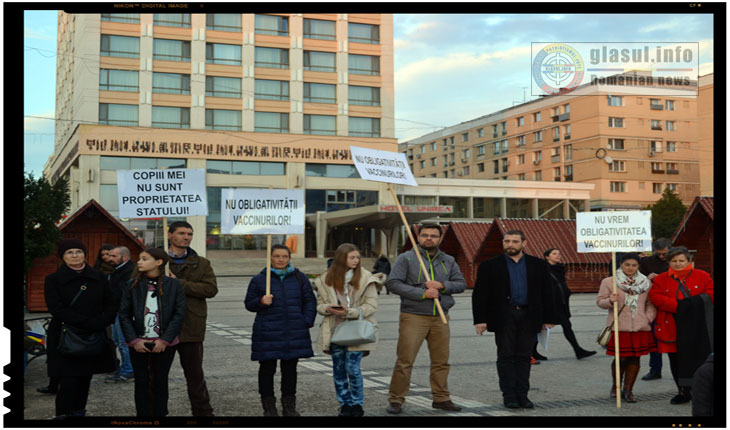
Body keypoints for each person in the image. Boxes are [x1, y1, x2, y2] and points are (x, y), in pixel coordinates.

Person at [385, 224, 466, 414]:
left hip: (440, 316)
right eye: (425, 235)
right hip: (413, 315)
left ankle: (441, 398)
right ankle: (396, 399)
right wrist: (422, 293)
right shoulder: (406, 258)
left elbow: (461, 284)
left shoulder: (448, 260)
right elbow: (393, 283)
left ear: (440, 239)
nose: (428, 238)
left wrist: (442, 285)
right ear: (418, 237)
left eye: (433, 236)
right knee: (405, 360)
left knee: (441, 361)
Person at [472, 230, 558, 409]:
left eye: (515, 241)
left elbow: (548, 293)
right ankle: (509, 395)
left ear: (524, 243)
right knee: (505, 356)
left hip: (529, 315)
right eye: (507, 241)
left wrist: (549, 318)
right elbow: (480, 294)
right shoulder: (490, 265)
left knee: (524, 357)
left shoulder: (538, 265)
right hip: (504, 315)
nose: (510, 244)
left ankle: (523, 395)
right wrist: (480, 320)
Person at [44, 238, 118, 418]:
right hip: (65, 335)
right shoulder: (53, 279)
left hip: (93, 334)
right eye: (69, 252)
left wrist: (101, 321)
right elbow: (56, 308)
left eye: (78, 251)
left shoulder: (99, 277)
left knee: (85, 378)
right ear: (63, 256)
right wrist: (86, 322)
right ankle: (62, 416)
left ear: (85, 254)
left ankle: (78, 415)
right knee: (67, 380)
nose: (75, 255)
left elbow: (111, 304)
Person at [313, 243, 385, 417]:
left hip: (357, 330)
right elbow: (319, 305)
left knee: (353, 368)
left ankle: (357, 404)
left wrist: (350, 312)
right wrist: (328, 308)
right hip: (334, 330)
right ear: (341, 258)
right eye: (352, 257)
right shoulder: (325, 279)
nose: (356, 260)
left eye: (357, 257)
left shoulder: (367, 278)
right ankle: (345, 403)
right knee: (338, 368)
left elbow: (371, 305)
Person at [245, 244, 316, 417]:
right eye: (277, 256)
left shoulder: (299, 278)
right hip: (268, 331)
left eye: (284, 256)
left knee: (290, 371)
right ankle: (269, 407)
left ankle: (289, 406)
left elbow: (310, 301)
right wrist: (261, 301)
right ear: (270, 258)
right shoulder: (260, 279)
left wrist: (306, 320)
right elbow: (249, 304)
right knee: (267, 370)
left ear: (289, 258)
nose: (281, 259)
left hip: (294, 331)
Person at [119, 248, 186, 417]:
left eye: (144, 259)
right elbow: (124, 314)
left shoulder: (174, 285)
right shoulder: (132, 285)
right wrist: (134, 340)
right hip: (139, 342)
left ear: (158, 262)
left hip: (164, 342)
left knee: (160, 380)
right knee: (141, 381)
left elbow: (179, 314)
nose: (139, 262)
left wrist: (165, 340)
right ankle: (143, 415)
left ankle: (160, 414)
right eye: (139, 258)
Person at [166, 221, 219, 416]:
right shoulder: (155, 259)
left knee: (195, 375)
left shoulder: (202, 263)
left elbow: (210, 289)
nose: (186, 237)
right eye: (181, 233)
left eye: (189, 233)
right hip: (161, 327)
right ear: (170, 235)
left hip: (191, 325)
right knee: (156, 376)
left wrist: (178, 284)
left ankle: (203, 412)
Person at [649, 246, 713, 405]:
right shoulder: (661, 279)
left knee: (701, 360)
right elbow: (656, 297)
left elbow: (711, 294)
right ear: (669, 262)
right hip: (671, 325)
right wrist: (679, 306)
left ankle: (703, 391)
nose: (678, 264)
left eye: (681, 261)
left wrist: (687, 305)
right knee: (676, 360)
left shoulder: (703, 276)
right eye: (674, 261)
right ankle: (683, 391)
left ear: (690, 261)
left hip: (699, 326)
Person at [596, 253, 656, 403]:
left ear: (638, 266)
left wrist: (648, 318)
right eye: (627, 265)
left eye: (634, 265)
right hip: (619, 326)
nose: (630, 268)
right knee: (621, 358)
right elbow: (600, 302)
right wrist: (610, 300)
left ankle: (629, 390)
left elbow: (650, 303)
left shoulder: (645, 283)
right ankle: (616, 386)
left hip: (640, 327)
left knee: (635, 358)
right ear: (621, 264)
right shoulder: (609, 282)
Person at [532, 248, 595, 361]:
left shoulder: (560, 268)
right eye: (554, 254)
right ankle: (532, 353)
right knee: (541, 328)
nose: (558, 255)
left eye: (559, 253)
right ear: (547, 257)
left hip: (562, 303)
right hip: (549, 304)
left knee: (566, 326)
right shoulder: (543, 269)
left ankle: (578, 350)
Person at [638, 238, 672, 381]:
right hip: (653, 304)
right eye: (659, 254)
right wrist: (647, 278)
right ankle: (655, 369)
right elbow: (638, 280)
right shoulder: (647, 262)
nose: (662, 257)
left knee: (674, 340)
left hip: (671, 304)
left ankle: (682, 370)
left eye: (665, 254)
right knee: (654, 340)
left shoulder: (676, 260)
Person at [105, 246, 136, 383]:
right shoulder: (118, 270)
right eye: (109, 255)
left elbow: (123, 293)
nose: (109, 258)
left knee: (124, 343)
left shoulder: (129, 270)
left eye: (113, 256)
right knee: (118, 341)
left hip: (124, 311)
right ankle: (125, 368)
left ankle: (128, 371)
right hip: (117, 310)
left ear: (125, 257)